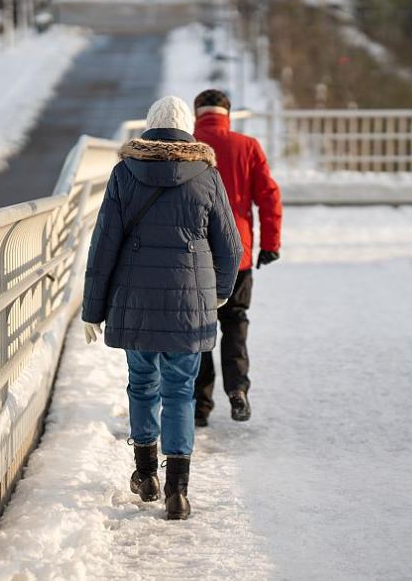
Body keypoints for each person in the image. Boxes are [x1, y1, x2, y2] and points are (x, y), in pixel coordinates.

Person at [81, 95, 242, 520]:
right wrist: (220, 293)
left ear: (149, 127)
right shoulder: (206, 176)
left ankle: (146, 473)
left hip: (134, 304)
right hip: (190, 308)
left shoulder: (123, 174)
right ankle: (178, 491)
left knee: (142, 385)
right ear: (187, 127)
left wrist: (92, 309)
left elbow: (103, 247)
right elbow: (231, 247)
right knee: (180, 392)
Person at [191, 89, 282, 426]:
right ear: (226, 113)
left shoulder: (188, 146)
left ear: (197, 112)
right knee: (235, 321)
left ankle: (200, 405)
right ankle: (238, 390)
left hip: (195, 256)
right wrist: (270, 243)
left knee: (197, 330)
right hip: (238, 256)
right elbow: (269, 196)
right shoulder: (247, 146)